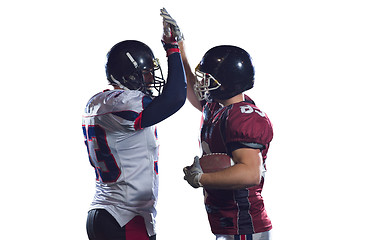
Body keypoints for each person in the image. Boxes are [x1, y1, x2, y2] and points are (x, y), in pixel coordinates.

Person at [161, 8, 274, 240]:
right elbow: (193, 88)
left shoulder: (243, 116)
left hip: (244, 226)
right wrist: (178, 47)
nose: (203, 83)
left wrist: (201, 178)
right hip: (229, 224)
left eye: (209, 79)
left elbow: (250, 173)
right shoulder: (217, 107)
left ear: (226, 84)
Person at [82, 17, 187, 240]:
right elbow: (176, 98)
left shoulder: (98, 102)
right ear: (128, 75)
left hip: (107, 212)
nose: (150, 78)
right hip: (123, 217)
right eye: (146, 72)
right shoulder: (125, 104)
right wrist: (172, 48)